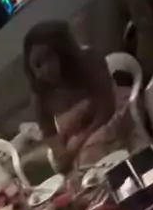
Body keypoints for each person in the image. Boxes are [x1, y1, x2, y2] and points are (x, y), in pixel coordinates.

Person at [24, 21, 135, 173]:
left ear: (62, 50)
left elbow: (107, 109)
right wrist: (61, 151)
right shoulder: (40, 94)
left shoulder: (89, 60)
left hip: (114, 114)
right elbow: (49, 133)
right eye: (38, 65)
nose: (46, 68)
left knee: (88, 156)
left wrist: (80, 143)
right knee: (72, 168)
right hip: (79, 133)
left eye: (49, 57)